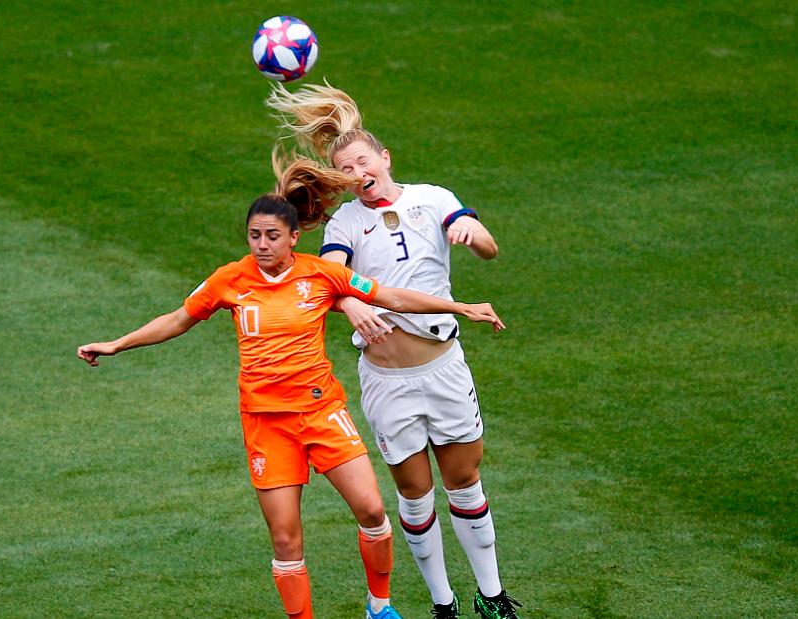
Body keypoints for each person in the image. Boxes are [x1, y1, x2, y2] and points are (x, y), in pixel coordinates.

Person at [77, 155, 506, 619]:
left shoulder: (320, 274)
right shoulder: (230, 279)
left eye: (272, 236)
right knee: (285, 538)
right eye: (254, 235)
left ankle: (379, 608)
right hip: (266, 423)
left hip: (322, 413)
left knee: (373, 512)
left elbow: (391, 296)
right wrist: (119, 343)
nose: (262, 245)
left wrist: (459, 307)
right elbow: (179, 319)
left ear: (294, 237)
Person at [266, 82, 522, 619]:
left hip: (444, 367)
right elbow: (330, 278)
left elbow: (488, 248)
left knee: (465, 481)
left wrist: (475, 232)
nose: (360, 174)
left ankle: (492, 595)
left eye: (364, 162)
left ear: (384, 158)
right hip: (386, 381)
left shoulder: (434, 198)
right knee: (415, 493)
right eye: (347, 170)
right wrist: (349, 305)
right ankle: (442, 603)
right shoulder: (345, 223)